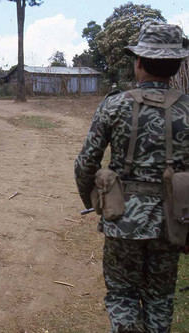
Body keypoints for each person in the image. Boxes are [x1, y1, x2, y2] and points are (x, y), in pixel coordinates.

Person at [75, 21, 189, 333]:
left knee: (123, 295)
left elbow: (86, 163)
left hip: (121, 218)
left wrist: (95, 201)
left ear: (138, 62)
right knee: (160, 298)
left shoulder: (114, 104)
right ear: (177, 67)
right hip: (172, 223)